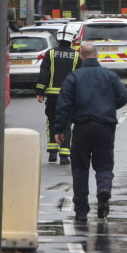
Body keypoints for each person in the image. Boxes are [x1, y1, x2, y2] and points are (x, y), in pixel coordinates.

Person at [54, 42, 127, 221]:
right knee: (104, 164)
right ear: (97, 56)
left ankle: (81, 210)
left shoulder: (74, 77)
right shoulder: (109, 75)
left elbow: (63, 105)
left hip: (82, 127)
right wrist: (109, 107)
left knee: (80, 167)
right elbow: (124, 96)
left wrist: (59, 129)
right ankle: (104, 189)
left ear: (81, 57)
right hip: (105, 127)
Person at [35, 25, 80, 164]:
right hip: (69, 96)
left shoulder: (50, 53)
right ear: (72, 38)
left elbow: (44, 74)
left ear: (58, 37)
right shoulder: (77, 55)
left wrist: (40, 92)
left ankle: (52, 153)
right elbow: (79, 77)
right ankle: (65, 155)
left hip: (52, 97)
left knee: (52, 122)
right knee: (66, 123)